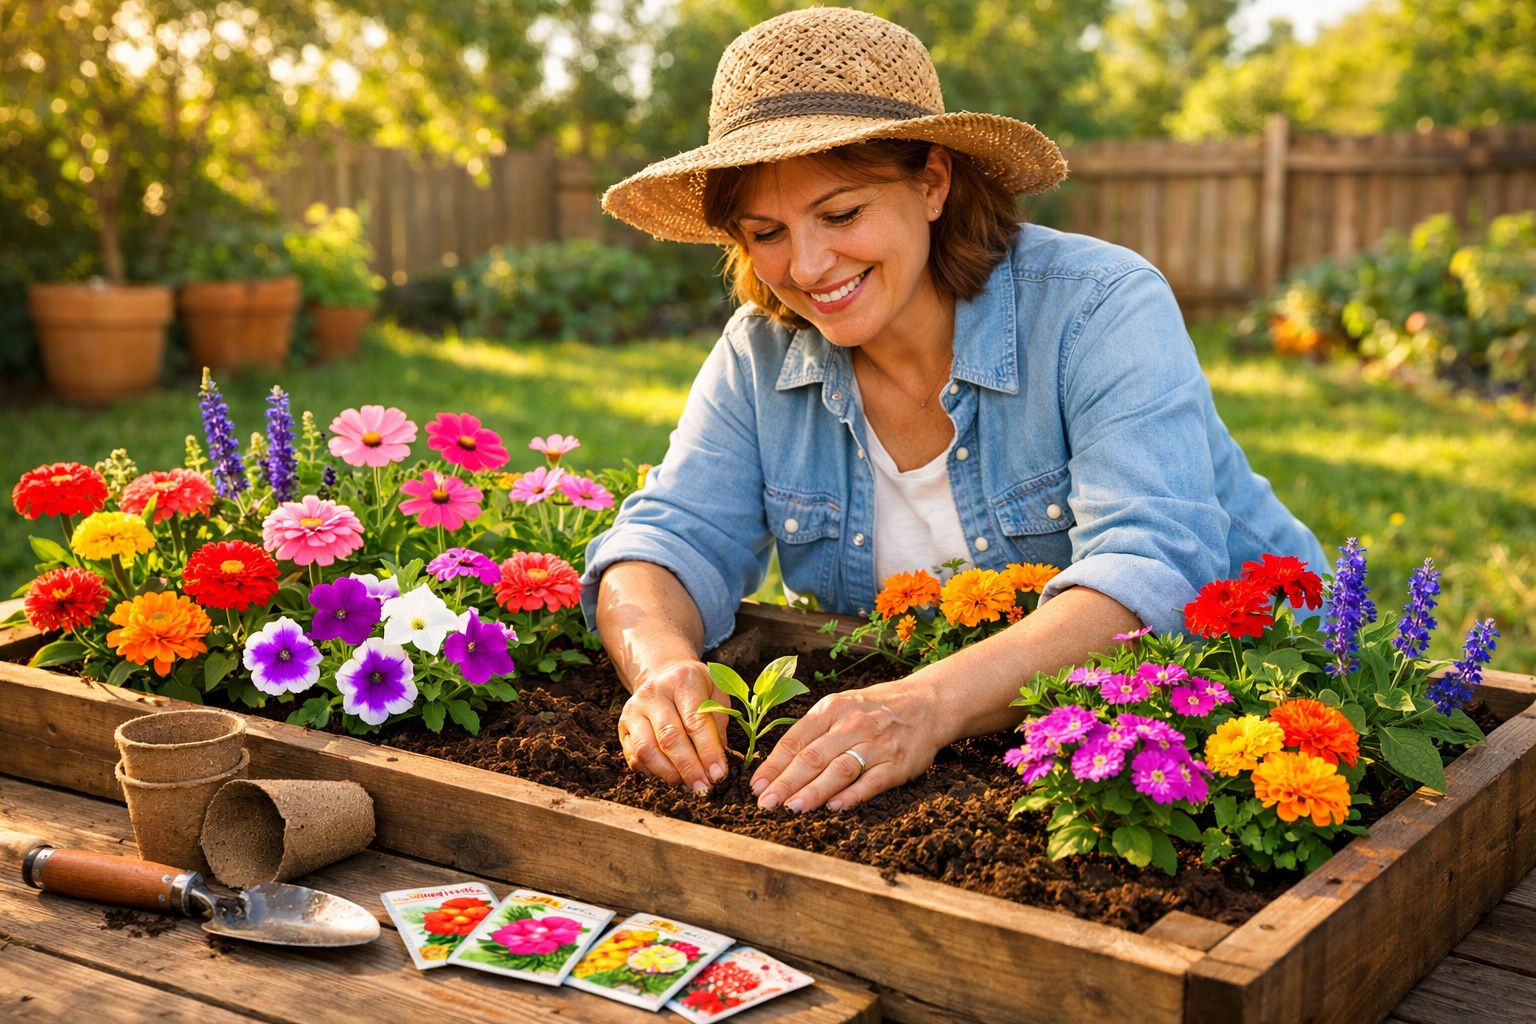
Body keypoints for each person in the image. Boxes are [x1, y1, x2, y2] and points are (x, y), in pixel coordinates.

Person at [580, 7, 1328, 815]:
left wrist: (926, 706)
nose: (806, 265)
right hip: (1004, 746)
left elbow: (1151, 572)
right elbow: (669, 536)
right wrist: (661, 667)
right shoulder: (760, 353)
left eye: (841, 215)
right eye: (767, 232)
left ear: (931, 183)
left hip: (1248, 729)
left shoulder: (1097, 307)